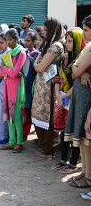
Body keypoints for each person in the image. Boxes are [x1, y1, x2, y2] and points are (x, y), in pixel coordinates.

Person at [51, 29, 84, 174]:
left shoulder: (81, 59)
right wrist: (58, 94)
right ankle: (63, 158)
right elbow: (57, 77)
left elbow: (77, 82)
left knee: (74, 130)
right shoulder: (64, 58)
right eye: (66, 40)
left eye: (70, 41)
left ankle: (73, 162)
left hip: (75, 99)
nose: (67, 43)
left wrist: (65, 96)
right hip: (62, 98)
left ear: (77, 41)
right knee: (64, 130)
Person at [31, 17, 64, 161]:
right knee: (39, 114)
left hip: (49, 87)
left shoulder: (56, 46)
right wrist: (38, 64)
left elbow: (39, 66)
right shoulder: (48, 44)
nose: (44, 33)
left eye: (46, 30)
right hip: (42, 86)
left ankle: (48, 150)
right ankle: (45, 146)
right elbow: (38, 64)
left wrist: (38, 65)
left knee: (48, 116)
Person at [64, 15, 91, 188]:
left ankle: (89, 176)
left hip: (87, 99)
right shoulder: (87, 47)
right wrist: (81, 72)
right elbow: (73, 67)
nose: (84, 34)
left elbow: (75, 70)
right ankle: (85, 172)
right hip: (80, 97)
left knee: (86, 137)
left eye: (87, 30)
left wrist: (80, 71)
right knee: (80, 137)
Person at [0, 29, 26, 153]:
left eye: (10, 39)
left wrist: (6, 70)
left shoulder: (21, 53)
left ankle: (19, 142)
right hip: (7, 86)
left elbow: (15, 73)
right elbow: (0, 71)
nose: (8, 42)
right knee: (9, 116)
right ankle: (11, 142)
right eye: (7, 40)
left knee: (16, 117)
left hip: (16, 87)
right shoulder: (8, 53)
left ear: (16, 39)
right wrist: (7, 70)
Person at [22, 32, 39, 140]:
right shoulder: (23, 53)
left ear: (34, 42)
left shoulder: (36, 54)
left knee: (28, 110)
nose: (26, 42)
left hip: (31, 85)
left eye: (28, 41)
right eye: (25, 40)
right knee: (23, 108)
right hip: (23, 84)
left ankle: (25, 132)